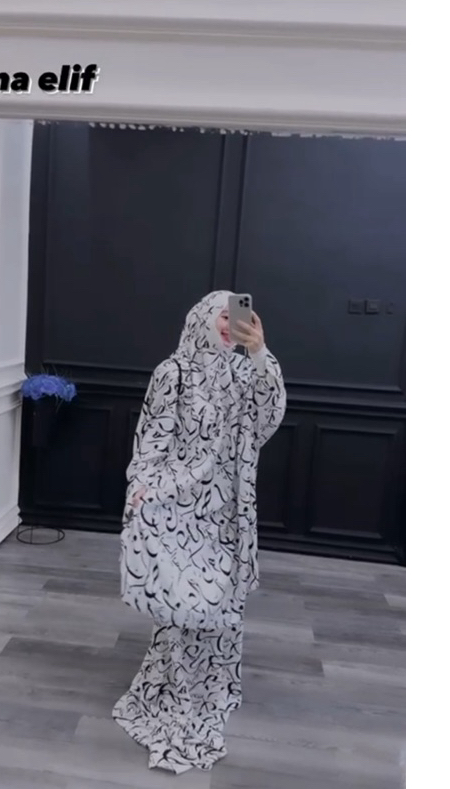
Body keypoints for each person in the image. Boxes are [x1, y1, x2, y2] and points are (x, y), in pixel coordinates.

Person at [112, 290, 287, 774]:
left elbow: (268, 419)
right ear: (201, 320)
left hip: (229, 511)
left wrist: (260, 353)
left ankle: (213, 686)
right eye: (221, 316)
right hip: (179, 508)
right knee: (183, 606)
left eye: (236, 316)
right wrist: (141, 489)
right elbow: (152, 438)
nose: (229, 324)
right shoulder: (174, 372)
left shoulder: (245, 371)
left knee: (224, 604)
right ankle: (174, 689)